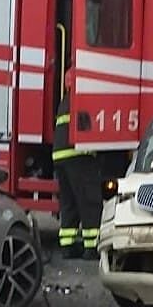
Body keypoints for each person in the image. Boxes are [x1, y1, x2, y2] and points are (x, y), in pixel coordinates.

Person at [51, 72, 102, 260]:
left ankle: (68, 246)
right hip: (78, 157)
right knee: (89, 201)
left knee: (69, 203)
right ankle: (92, 247)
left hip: (60, 157)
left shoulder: (65, 101)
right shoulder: (81, 99)